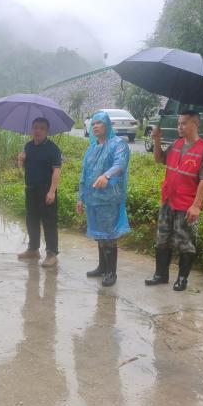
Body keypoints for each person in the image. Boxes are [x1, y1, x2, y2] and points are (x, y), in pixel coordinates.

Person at [145, 109, 203, 291]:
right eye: (178, 123)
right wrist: (157, 139)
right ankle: (160, 275)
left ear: (195, 124)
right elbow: (159, 159)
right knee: (162, 238)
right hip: (168, 200)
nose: (180, 127)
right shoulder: (176, 144)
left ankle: (182, 279)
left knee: (184, 241)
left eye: (184, 123)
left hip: (186, 204)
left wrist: (196, 206)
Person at [76, 111, 131, 286]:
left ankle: (111, 272)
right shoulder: (91, 148)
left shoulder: (118, 144)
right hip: (93, 199)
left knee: (109, 235)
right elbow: (84, 174)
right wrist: (80, 197)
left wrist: (106, 176)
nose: (95, 126)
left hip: (109, 198)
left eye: (99, 123)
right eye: (93, 124)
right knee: (99, 235)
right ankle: (101, 267)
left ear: (107, 125)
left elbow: (120, 164)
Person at [17, 117, 61, 267]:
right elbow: (23, 169)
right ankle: (33, 249)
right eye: (35, 127)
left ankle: (52, 253)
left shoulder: (52, 149)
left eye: (41, 128)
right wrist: (20, 161)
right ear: (32, 130)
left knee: (49, 222)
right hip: (31, 189)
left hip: (46, 190)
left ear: (47, 131)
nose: (38, 130)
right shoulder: (28, 146)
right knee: (31, 220)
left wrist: (52, 192)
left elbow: (56, 171)